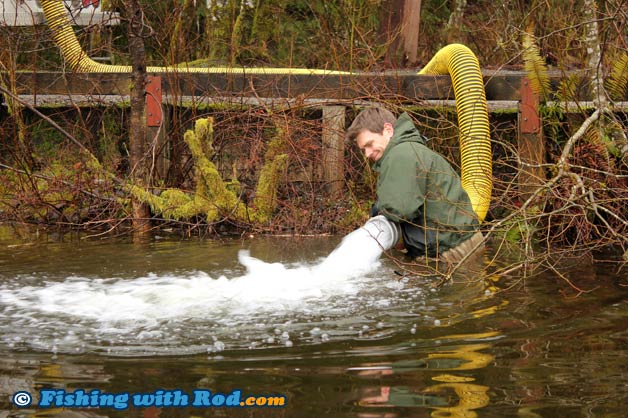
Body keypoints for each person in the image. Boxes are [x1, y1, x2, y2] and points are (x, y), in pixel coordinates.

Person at [346, 107, 484, 264]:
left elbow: (398, 209)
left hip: (451, 250)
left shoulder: (401, 155)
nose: (367, 154)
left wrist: (377, 213)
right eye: (363, 149)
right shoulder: (411, 149)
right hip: (462, 242)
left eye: (369, 144)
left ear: (388, 130)